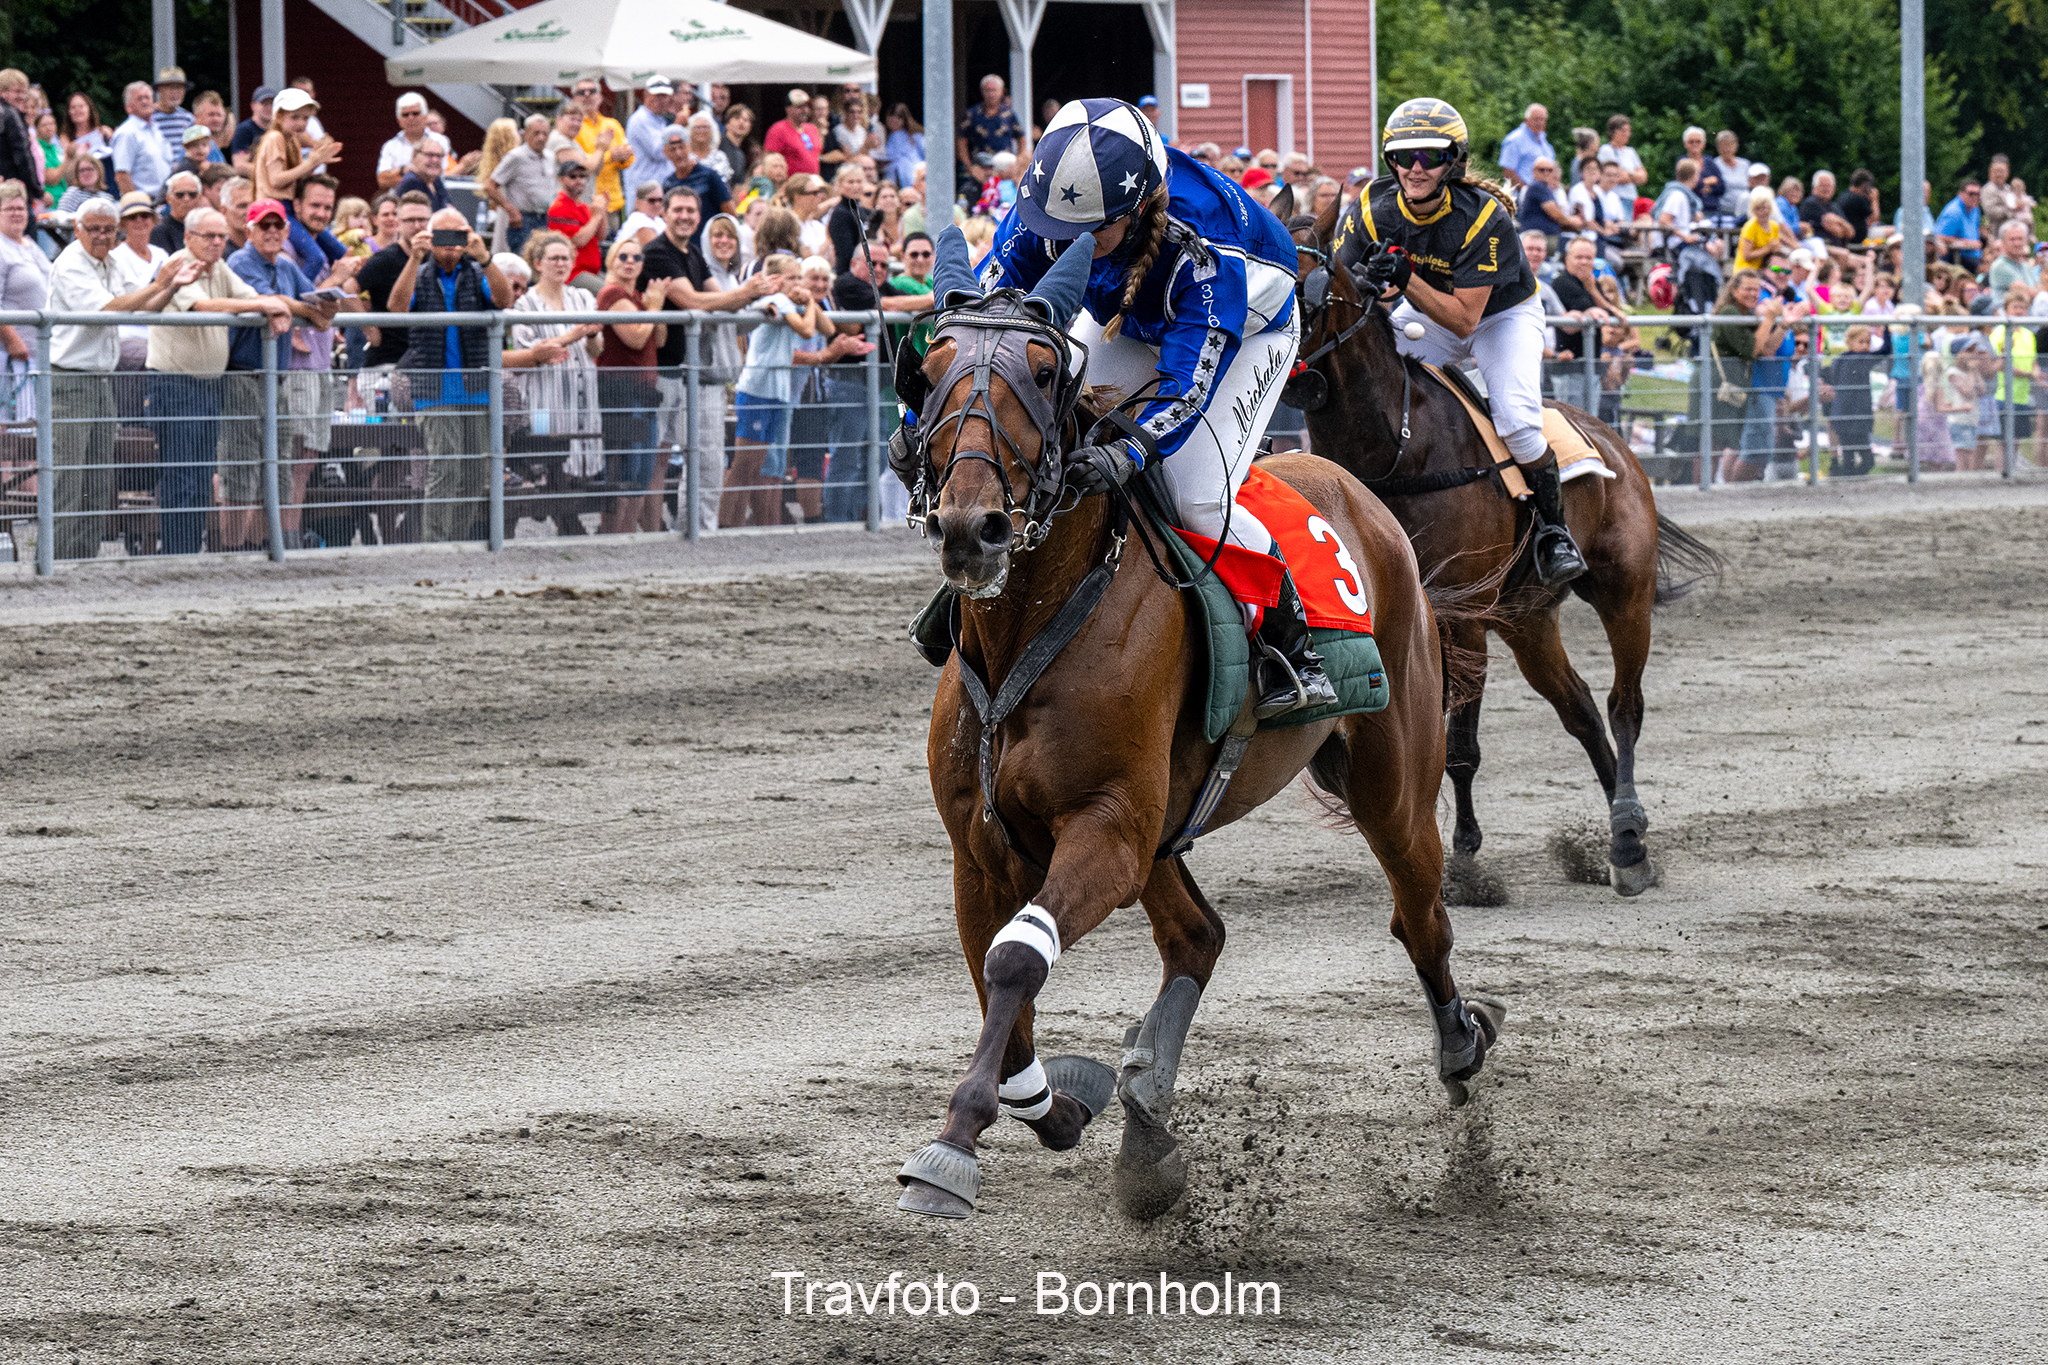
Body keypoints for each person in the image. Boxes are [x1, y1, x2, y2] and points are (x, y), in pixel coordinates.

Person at [972, 96, 1327, 712]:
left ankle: (1291, 641)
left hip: (1249, 327)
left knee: (1195, 492)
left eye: (1090, 232)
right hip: (1131, 319)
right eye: (1057, 230)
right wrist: (918, 416)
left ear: (1138, 210)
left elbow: (1187, 388)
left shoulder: (1203, 246)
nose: (1068, 244)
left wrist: (1132, 449)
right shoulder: (1048, 213)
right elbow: (979, 329)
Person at [1329, 97, 1586, 589]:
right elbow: (1348, 283)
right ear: (1390, 162)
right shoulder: (1369, 207)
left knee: (1516, 421)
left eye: (1429, 155)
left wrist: (1403, 279)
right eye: (1404, 157)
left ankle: (1554, 531)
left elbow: (1466, 320)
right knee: (1381, 380)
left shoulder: (1484, 216)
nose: (1415, 168)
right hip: (1431, 310)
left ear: (1454, 160)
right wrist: (1370, 284)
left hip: (1501, 316)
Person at [48, 197, 199, 558]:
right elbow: (107, 310)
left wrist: (171, 286)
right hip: (70, 379)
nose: (101, 236)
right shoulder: (70, 263)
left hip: (100, 379)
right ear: (77, 230)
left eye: (107, 230)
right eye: (94, 229)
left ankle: (83, 558)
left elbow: (141, 305)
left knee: (97, 478)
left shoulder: (110, 262)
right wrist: (159, 282)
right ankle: (56, 560)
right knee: (69, 478)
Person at [145, 206, 294, 553]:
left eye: (221, 236)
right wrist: (268, 306)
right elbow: (202, 307)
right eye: (209, 236)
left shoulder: (221, 266)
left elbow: (247, 298)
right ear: (188, 237)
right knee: (184, 477)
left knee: (199, 478)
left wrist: (272, 305)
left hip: (207, 383)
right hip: (176, 383)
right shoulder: (178, 265)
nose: (216, 242)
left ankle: (186, 554)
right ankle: (178, 556)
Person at [641, 191, 774, 532]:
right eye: (678, 210)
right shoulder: (657, 253)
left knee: (704, 459)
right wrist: (747, 293)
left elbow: (721, 301)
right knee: (657, 458)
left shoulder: (692, 252)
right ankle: (656, 533)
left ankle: (697, 528)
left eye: (691, 210)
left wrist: (758, 300)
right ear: (665, 214)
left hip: (694, 374)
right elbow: (694, 302)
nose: (684, 216)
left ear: (698, 216)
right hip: (665, 371)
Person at [217, 197, 342, 551]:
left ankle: (260, 546)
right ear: (249, 229)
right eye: (264, 225)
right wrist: (313, 312)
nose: (271, 232)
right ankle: (231, 550)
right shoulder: (240, 260)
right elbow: (269, 300)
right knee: (241, 469)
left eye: (277, 226)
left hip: (276, 377)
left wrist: (322, 308)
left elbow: (311, 300)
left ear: (286, 230)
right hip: (242, 374)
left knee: (277, 466)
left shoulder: (286, 266)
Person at [385, 206, 513, 541]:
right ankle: (437, 543)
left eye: (458, 236)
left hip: (475, 387)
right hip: (433, 387)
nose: (452, 246)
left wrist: (484, 257)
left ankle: (457, 541)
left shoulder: (476, 271)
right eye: (444, 238)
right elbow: (396, 308)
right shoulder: (421, 273)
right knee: (445, 466)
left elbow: (504, 300)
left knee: (473, 472)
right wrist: (414, 258)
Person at [725, 253, 820, 526]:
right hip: (758, 389)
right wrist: (811, 302)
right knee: (743, 466)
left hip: (774, 391)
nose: (798, 284)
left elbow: (822, 326)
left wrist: (806, 302)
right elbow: (806, 330)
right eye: (792, 278)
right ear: (776, 280)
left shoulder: (787, 302)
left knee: (753, 467)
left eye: (800, 277)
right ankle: (725, 523)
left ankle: (733, 524)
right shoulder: (778, 300)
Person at [511, 230, 603, 483]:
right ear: (538, 263)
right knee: (545, 463)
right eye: (554, 258)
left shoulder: (583, 297)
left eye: (565, 258)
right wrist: (570, 336)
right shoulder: (525, 304)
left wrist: (593, 336)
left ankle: (569, 518)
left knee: (583, 472)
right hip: (542, 399)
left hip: (582, 395)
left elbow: (596, 351)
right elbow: (528, 352)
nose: (561, 264)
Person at [593, 236, 666, 532]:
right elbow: (635, 338)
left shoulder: (638, 299)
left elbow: (658, 339)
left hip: (644, 391)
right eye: (623, 256)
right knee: (624, 467)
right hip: (621, 391)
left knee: (642, 469)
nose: (630, 262)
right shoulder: (611, 295)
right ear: (611, 261)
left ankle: (625, 533)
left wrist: (653, 309)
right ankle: (614, 534)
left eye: (636, 257)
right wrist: (655, 308)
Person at [0, 182, 49, 422]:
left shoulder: (32, 245)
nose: (17, 213)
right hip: (11, 355)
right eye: (10, 209)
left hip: (39, 352)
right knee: (11, 432)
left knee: (34, 429)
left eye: (21, 208)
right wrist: (12, 341)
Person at [254, 87, 340, 205]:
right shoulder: (275, 137)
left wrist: (318, 161)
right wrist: (310, 163)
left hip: (287, 203)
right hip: (271, 206)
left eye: (305, 118)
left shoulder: (292, 140)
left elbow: (300, 178)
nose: (301, 123)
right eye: (294, 117)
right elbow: (276, 180)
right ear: (278, 116)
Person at [486, 116, 553, 259]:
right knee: (523, 261)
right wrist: (510, 209)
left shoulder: (550, 157)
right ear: (525, 134)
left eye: (544, 133)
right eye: (536, 133)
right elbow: (490, 187)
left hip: (543, 218)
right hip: (524, 218)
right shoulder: (516, 157)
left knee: (541, 260)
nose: (541, 138)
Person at [567, 78, 633, 221]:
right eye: (581, 92)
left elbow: (628, 161)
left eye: (592, 91)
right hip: (586, 202)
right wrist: (610, 156)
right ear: (574, 99)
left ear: (600, 97)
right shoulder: (573, 128)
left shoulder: (612, 124)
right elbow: (579, 163)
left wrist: (623, 156)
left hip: (612, 202)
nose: (587, 95)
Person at [956, 74, 1026, 200]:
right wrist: (970, 167)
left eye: (994, 90)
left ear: (1001, 92)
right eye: (988, 90)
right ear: (982, 91)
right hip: (981, 168)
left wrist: (1018, 163)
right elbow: (961, 142)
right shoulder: (972, 114)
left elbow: (1021, 139)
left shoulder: (1009, 114)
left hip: (1005, 169)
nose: (991, 94)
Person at [659, 124, 734, 237]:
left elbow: (729, 212)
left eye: (681, 147)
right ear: (666, 153)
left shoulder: (709, 176)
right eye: (672, 149)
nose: (678, 153)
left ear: (689, 147)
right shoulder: (668, 184)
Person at [546, 158, 607, 292]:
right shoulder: (559, 207)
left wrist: (603, 211)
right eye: (573, 176)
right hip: (573, 273)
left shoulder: (582, 206)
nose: (579, 180)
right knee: (609, 293)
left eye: (582, 176)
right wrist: (597, 216)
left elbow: (601, 236)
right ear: (561, 180)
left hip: (591, 271)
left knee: (620, 289)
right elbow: (580, 240)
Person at [378, 92, 450, 190]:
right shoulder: (390, 145)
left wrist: (401, 172)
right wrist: (409, 171)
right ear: (399, 120)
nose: (411, 118)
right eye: (405, 115)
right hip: (399, 201)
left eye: (415, 113)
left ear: (425, 117)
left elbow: (439, 176)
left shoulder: (440, 141)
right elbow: (382, 180)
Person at [111, 81, 169, 199]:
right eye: (139, 99)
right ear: (129, 107)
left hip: (165, 201)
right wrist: (136, 204)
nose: (145, 101)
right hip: (144, 203)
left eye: (147, 97)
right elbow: (122, 175)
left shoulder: (157, 130)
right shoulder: (127, 133)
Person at [624, 78, 677, 204]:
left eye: (664, 96)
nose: (661, 100)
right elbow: (659, 152)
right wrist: (677, 127)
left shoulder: (660, 120)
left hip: (659, 189)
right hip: (645, 191)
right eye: (657, 96)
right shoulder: (640, 119)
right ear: (646, 95)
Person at [1515, 156, 1581, 254]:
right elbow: (1553, 212)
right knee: (1575, 248)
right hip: (1536, 237)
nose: (1546, 173)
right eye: (1542, 170)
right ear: (1534, 171)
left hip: (1545, 236)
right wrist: (1571, 221)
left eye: (1549, 170)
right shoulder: (1537, 186)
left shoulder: (1546, 188)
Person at [765, 89, 822, 179]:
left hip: (813, 183)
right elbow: (769, 160)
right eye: (800, 107)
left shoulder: (812, 129)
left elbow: (817, 154)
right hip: (792, 185)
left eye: (807, 107)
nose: (805, 110)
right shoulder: (778, 129)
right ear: (788, 109)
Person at [1980, 154, 2034, 248]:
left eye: (2001, 171)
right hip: (1997, 234)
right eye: (1996, 171)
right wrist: (2011, 210)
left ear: (2007, 172)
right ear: (1990, 171)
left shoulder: (2009, 189)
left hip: (2015, 232)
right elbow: (1991, 211)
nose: (1999, 174)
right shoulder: (1988, 189)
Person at [1497, 103, 1553, 190]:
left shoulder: (1543, 140)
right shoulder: (1514, 140)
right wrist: (1527, 192)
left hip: (1544, 193)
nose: (1540, 123)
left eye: (1543, 119)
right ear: (1526, 120)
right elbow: (1509, 173)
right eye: (1536, 119)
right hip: (1522, 196)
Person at [1934, 181, 1984, 271]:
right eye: (1971, 194)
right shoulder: (1954, 212)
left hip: (1975, 255)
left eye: (1977, 194)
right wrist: (1967, 243)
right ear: (1961, 194)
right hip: (1959, 257)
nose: (1974, 197)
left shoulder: (1975, 210)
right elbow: (1939, 237)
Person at [55, 145, 110, 212]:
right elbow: (62, 219)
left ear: (98, 171)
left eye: (89, 169)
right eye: (81, 170)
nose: (85, 173)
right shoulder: (72, 194)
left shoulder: (106, 198)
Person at [882, 103, 925, 190]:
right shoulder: (887, 136)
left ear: (904, 120)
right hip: (893, 177)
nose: (893, 124)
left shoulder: (915, 136)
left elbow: (925, 155)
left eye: (896, 121)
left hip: (912, 176)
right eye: (890, 122)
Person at [229, 87, 274, 170]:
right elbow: (240, 166)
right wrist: (269, 172)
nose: (269, 107)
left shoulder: (279, 129)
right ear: (253, 106)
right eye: (264, 104)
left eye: (272, 104)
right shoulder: (244, 130)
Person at [150, 66, 194, 150]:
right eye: (170, 87)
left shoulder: (188, 118)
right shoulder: (149, 117)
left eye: (179, 88)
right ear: (160, 90)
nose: (175, 92)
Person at [1601, 114, 1646, 187]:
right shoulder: (1606, 150)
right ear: (1614, 132)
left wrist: (1628, 174)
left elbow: (1643, 177)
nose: (1627, 134)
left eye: (1629, 131)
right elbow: (1617, 177)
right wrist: (1634, 177)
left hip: (1632, 196)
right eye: (1624, 131)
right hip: (1615, 196)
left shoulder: (1631, 151)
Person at [64, 91, 112, 157]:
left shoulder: (103, 132)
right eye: (73, 107)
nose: (77, 110)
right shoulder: (66, 138)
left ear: (89, 109)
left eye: (81, 106)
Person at [720, 104, 757, 183]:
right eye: (737, 118)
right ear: (727, 124)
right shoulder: (718, 144)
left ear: (749, 128)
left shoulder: (741, 156)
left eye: (746, 120)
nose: (741, 122)